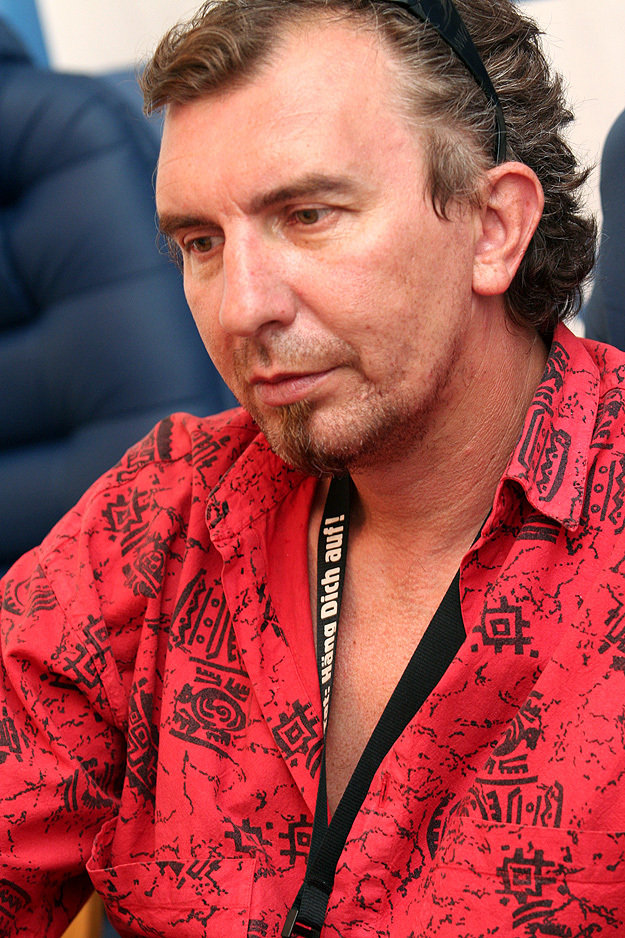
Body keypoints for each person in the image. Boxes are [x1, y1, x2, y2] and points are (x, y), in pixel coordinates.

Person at [3, 0, 623, 934]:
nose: (241, 307)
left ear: (493, 226)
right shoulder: (164, 513)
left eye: (307, 215)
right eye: (201, 243)